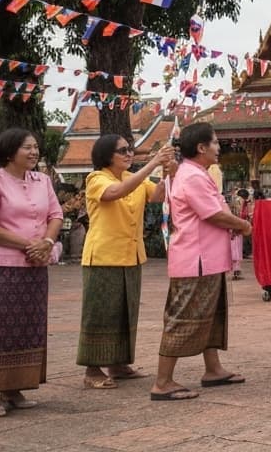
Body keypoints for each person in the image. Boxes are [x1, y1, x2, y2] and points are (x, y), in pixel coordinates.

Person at [150, 122, 251, 401]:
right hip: (196, 258)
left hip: (207, 257)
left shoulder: (196, 173)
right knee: (183, 317)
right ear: (201, 147)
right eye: (216, 143)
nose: (219, 148)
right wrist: (242, 224)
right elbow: (213, 214)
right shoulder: (191, 177)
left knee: (211, 314)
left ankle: (213, 369)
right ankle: (163, 381)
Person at [0, 128, 63, 417]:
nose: (34, 152)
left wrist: (46, 243)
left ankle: (13, 388)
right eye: (26, 148)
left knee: (27, 328)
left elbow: (55, 215)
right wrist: (29, 244)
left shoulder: (43, 180)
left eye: (35, 147)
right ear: (9, 152)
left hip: (34, 266)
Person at [76, 134, 174, 389]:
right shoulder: (97, 178)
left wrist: (167, 172)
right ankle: (92, 369)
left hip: (131, 255)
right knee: (101, 313)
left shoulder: (136, 180)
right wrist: (152, 163)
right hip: (104, 256)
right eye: (122, 150)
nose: (128, 154)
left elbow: (159, 197)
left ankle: (118, 363)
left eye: (129, 149)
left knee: (125, 313)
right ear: (107, 155)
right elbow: (116, 192)